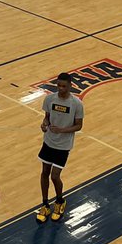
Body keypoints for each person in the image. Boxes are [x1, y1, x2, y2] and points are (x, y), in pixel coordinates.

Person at [37, 72, 84, 223]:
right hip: (49, 141)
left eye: (64, 86)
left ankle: (59, 201)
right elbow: (47, 117)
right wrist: (44, 124)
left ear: (70, 86)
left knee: (54, 176)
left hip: (63, 146)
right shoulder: (50, 99)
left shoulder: (77, 104)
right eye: (59, 85)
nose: (61, 88)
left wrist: (62, 130)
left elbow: (79, 126)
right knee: (44, 173)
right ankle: (45, 204)